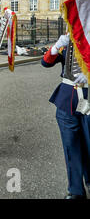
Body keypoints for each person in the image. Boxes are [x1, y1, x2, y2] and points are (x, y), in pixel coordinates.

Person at [41, 34, 90, 199]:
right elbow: (45, 62)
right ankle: (76, 190)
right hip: (67, 100)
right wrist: (56, 47)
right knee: (71, 147)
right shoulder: (69, 41)